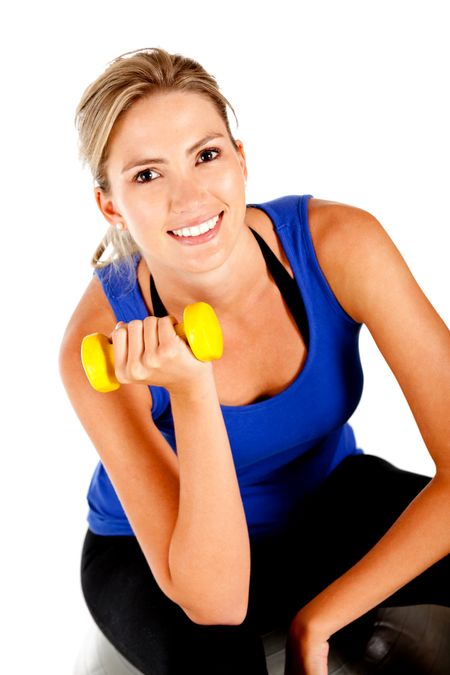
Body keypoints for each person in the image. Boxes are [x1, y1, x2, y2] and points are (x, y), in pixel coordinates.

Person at [59, 47, 450, 675]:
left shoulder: (338, 246)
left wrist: (319, 619)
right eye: (147, 175)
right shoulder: (100, 343)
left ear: (241, 159)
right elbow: (216, 599)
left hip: (326, 503)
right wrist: (191, 391)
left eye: (206, 156)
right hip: (163, 559)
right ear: (110, 205)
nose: (188, 197)